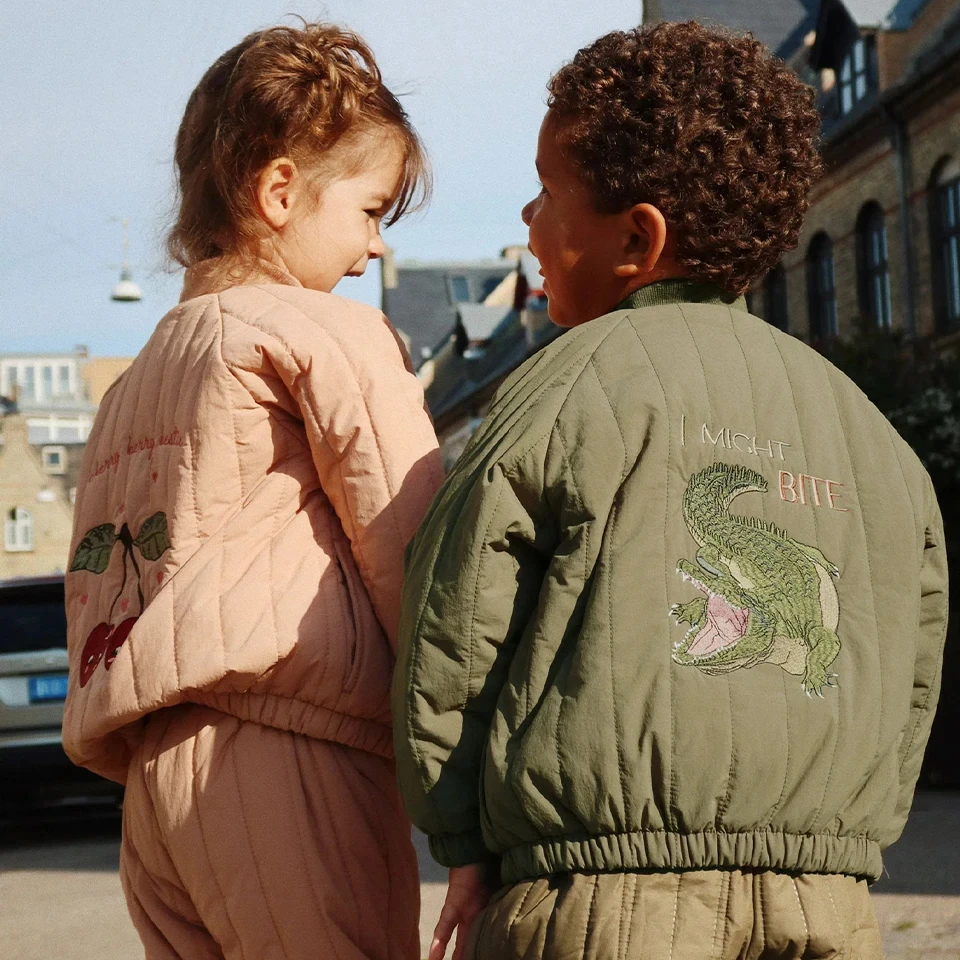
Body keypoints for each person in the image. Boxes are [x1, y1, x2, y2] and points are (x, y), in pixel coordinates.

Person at [394, 21, 948, 960]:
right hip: (830, 907)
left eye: (547, 192)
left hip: (600, 907)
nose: (527, 217)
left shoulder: (558, 392)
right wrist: (847, 837)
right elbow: (912, 664)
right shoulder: (873, 435)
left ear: (636, 239)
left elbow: (453, 631)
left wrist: (464, 837)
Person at [63, 22, 443, 960]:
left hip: (152, 782)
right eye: (370, 211)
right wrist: (465, 743)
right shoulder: (324, 333)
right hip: (289, 757)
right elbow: (413, 542)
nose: (373, 251)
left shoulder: (131, 385)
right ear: (279, 192)